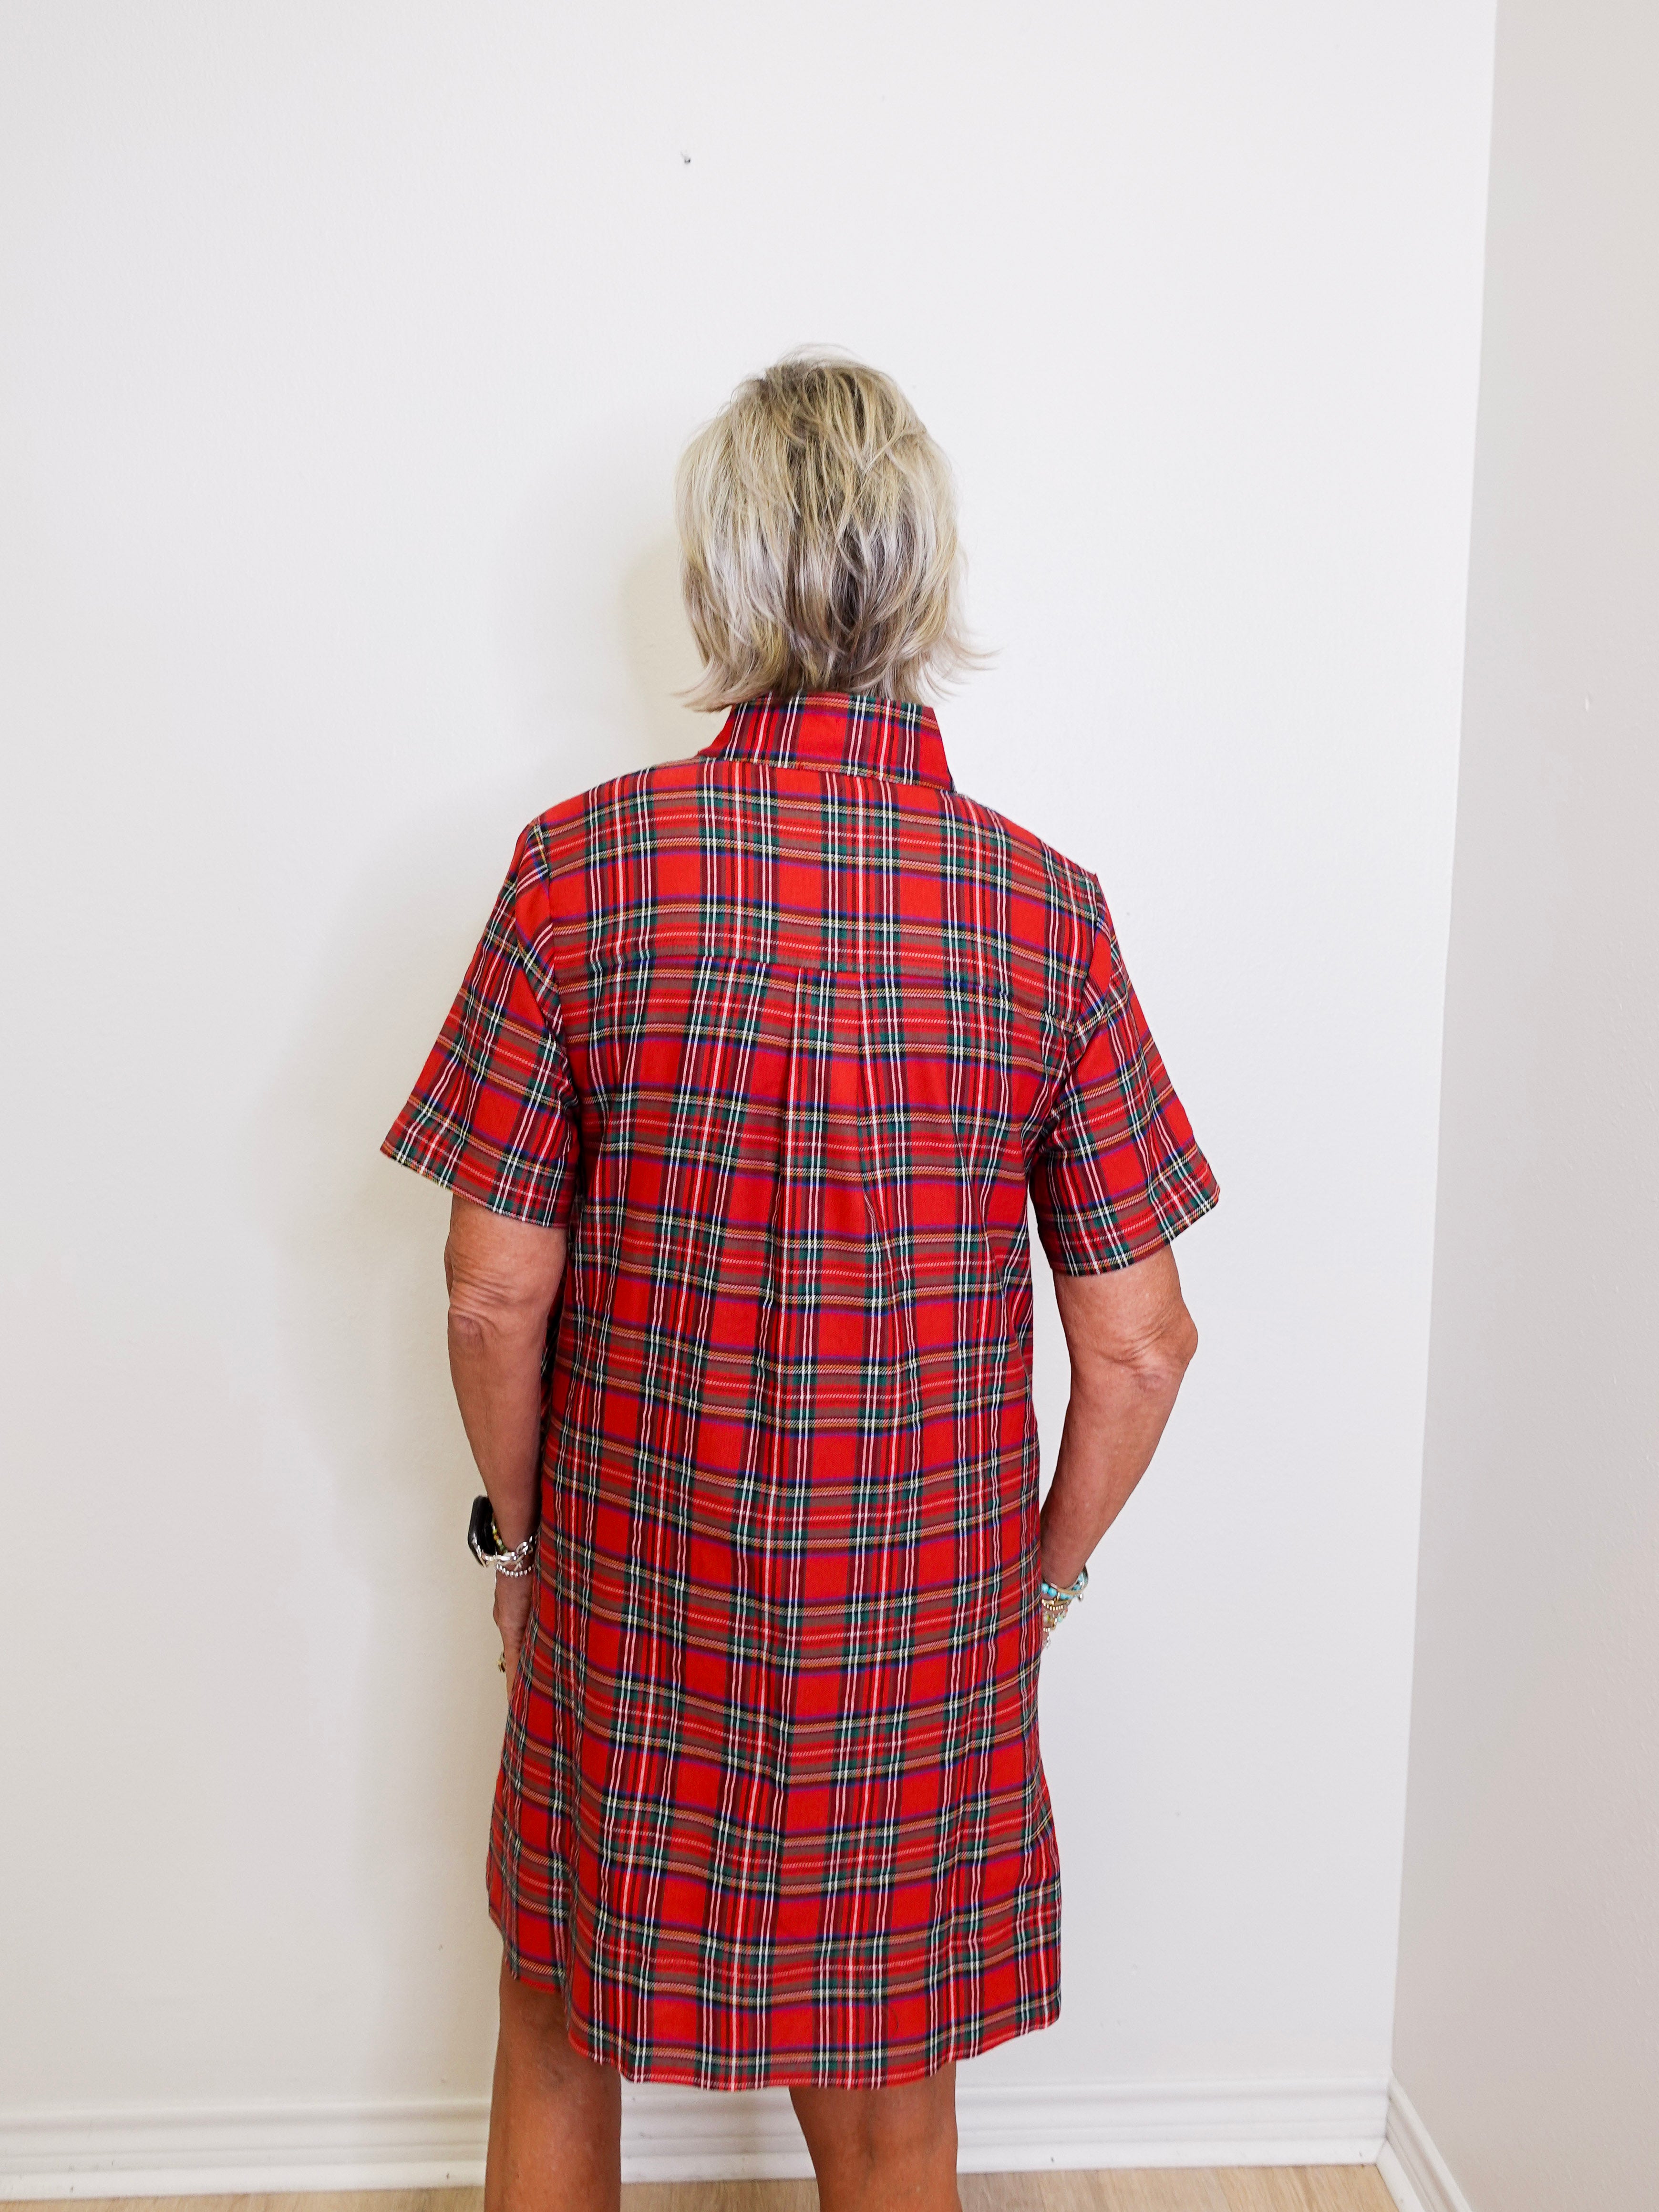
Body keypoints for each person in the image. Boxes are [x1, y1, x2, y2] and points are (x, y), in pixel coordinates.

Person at [382, 352, 1218, 2212]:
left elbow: (491, 1292)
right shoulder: (1043, 908)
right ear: (922, 581)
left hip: (631, 1580)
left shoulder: (579, 870)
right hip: (923, 1617)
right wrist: (1042, 1584)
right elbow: (1143, 1343)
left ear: (722, 579)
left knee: (553, 2009)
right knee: (890, 2079)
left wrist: (518, 1544)